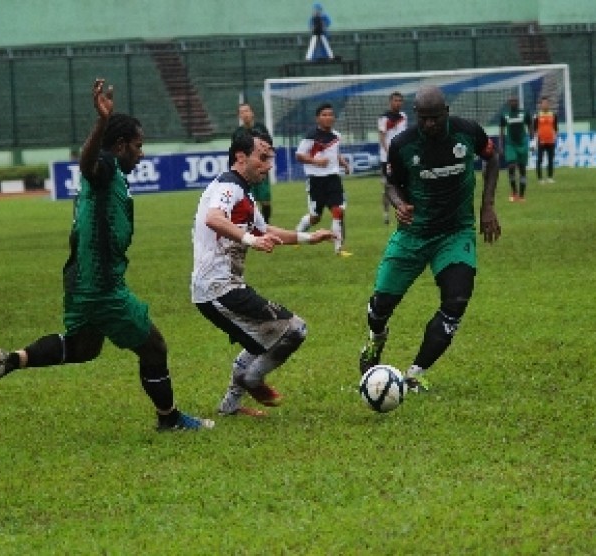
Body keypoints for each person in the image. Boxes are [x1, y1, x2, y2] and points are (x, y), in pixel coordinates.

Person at [0, 78, 214, 432]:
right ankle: (170, 420)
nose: (141, 154)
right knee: (155, 347)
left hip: (81, 276)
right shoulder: (104, 168)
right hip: (100, 283)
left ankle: (9, 360)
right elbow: (87, 163)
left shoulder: (108, 175)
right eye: (138, 146)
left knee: (84, 347)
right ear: (120, 145)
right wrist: (100, 122)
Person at [358, 85, 501, 392]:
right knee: (380, 305)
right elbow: (391, 184)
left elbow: (492, 156)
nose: (430, 124)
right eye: (424, 119)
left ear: (446, 113)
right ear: (416, 116)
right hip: (413, 234)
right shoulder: (403, 144)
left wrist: (487, 205)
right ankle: (376, 338)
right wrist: (399, 204)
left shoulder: (467, 132)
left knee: (457, 300)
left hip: (455, 232)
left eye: (435, 118)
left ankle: (414, 373)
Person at [192, 128, 335, 417]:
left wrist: (308, 238)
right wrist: (250, 240)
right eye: (262, 157)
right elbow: (213, 218)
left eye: (270, 158)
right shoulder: (228, 186)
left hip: (220, 288)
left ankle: (230, 406)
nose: (268, 165)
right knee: (295, 330)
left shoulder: (243, 193)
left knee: (262, 340)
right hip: (218, 288)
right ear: (240, 157)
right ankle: (252, 379)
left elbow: (266, 229)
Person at [295, 102, 352, 257]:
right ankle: (298, 233)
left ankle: (338, 249)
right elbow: (299, 155)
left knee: (338, 211)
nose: (328, 117)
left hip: (333, 179)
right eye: (324, 115)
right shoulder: (311, 136)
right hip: (316, 181)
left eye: (330, 115)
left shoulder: (336, 136)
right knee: (315, 218)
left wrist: (343, 163)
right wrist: (316, 162)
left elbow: (335, 154)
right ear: (317, 118)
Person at [232, 103, 273, 223]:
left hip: (260, 169)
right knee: (249, 201)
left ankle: (265, 224)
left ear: (252, 113)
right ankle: (252, 226)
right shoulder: (237, 133)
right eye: (242, 112)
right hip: (246, 172)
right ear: (239, 116)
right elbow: (235, 153)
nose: (245, 114)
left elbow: (269, 146)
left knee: (265, 200)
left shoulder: (261, 129)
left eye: (247, 111)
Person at [377, 91, 408, 225]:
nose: (398, 103)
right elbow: (382, 137)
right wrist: (389, 153)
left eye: (400, 101)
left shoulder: (403, 116)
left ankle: (404, 211)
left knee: (403, 184)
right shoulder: (384, 118)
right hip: (387, 159)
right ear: (390, 102)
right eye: (395, 101)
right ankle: (386, 213)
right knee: (387, 186)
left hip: (401, 157)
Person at [499, 96, 533, 202]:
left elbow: (530, 125)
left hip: (522, 144)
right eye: (511, 101)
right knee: (511, 166)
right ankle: (514, 192)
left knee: (522, 169)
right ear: (508, 103)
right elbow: (501, 131)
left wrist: (533, 140)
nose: (513, 103)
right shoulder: (505, 115)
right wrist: (500, 145)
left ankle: (522, 196)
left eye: (515, 101)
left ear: (518, 102)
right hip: (510, 144)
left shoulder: (524, 113)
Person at [533, 96, 558, 184]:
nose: (545, 105)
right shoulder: (537, 115)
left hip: (551, 141)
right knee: (540, 160)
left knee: (551, 160)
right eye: (543, 103)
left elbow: (555, 128)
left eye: (546, 103)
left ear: (549, 104)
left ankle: (550, 177)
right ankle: (540, 178)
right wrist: (535, 141)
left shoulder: (553, 115)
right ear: (541, 105)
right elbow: (534, 129)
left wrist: (556, 138)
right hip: (541, 141)